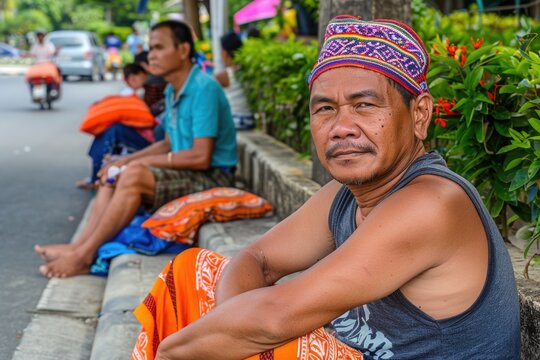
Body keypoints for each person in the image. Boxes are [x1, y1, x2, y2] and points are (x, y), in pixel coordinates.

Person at [130, 15, 521, 360]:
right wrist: (227, 330)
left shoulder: (433, 203)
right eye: (325, 109)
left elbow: (274, 318)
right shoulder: (347, 194)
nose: (341, 127)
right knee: (193, 271)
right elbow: (259, 259)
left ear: (420, 114)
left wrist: (174, 352)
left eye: (365, 106)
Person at [35, 20, 238, 278]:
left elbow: (200, 157)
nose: (151, 55)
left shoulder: (203, 89)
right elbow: (167, 143)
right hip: (189, 169)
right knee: (112, 173)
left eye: (158, 47)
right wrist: (124, 160)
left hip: (214, 176)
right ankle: (79, 246)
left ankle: (83, 257)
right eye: (150, 48)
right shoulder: (173, 90)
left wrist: (133, 166)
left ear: (183, 50)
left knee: (132, 175)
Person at [76, 63, 152, 190]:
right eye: (142, 78)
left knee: (114, 130)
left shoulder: (146, 92)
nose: (144, 81)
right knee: (111, 131)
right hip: (140, 135)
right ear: (131, 79)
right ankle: (97, 175)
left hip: (149, 140)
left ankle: (96, 177)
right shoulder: (132, 95)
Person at [214, 31, 255, 130]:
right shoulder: (248, 71)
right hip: (250, 120)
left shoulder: (223, 76)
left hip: (236, 121)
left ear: (224, 53)